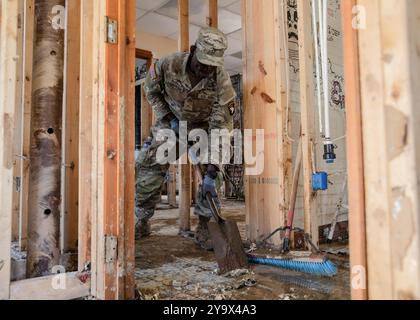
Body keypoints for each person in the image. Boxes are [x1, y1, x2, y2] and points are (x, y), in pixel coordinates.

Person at [136, 27, 236, 250]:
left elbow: (222, 125)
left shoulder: (222, 81)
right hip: (171, 122)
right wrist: (168, 116)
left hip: (204, 126)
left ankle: (206, 228)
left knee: (214, 177)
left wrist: (213, 165)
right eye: (202, 64)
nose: (205, 70)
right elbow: (151, 91)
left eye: (211, 66)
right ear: (192, 51)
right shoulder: (168, 64)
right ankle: (140, 220)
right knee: (149, 168)